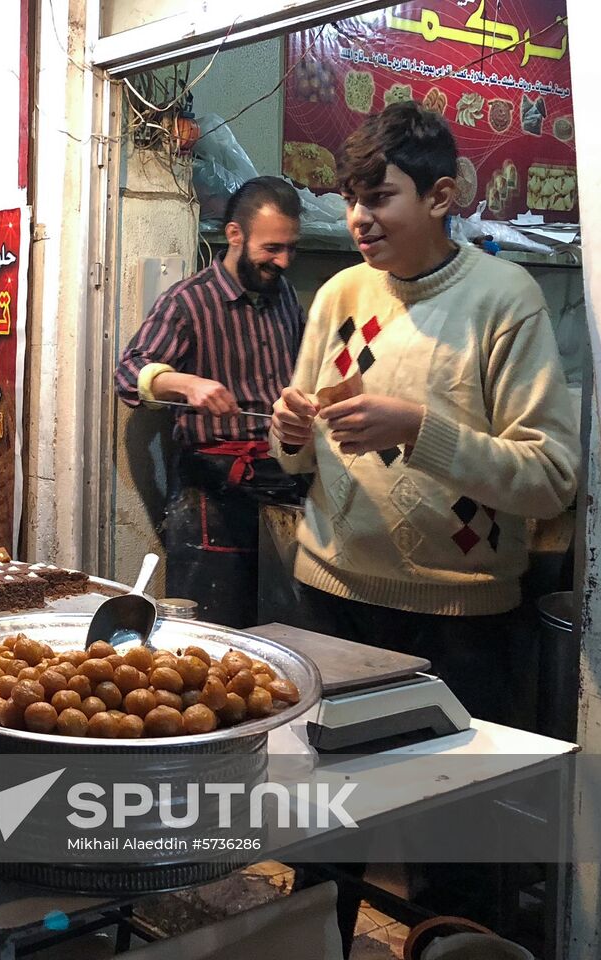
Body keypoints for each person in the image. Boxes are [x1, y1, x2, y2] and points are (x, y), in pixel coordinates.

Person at [271, 102, 579, 956]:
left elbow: (552, 473)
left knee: (454, 846)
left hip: (463, 621)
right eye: (351, 198)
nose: (359, 218)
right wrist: (289, 431)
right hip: (330, 599)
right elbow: (293, 453)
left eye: (381, 197)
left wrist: (420, 430)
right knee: (321, 828)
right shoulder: (337, 295)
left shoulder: (501, 300)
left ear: (442, 195)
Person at [114, 176, 307, 627]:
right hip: (211, 497)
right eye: (272, 248)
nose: (283, 261)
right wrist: (184, 383)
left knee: (284, 632)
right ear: (235, 235)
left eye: (291, 248)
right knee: (214, 636)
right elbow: (127, 375)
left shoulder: (286, 299)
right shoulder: (188, 301)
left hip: (282, 483)